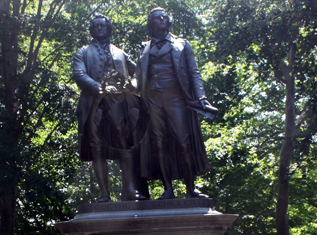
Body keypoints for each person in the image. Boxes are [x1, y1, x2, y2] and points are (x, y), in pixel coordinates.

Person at [134, 7, 213, 199]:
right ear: (150, 24)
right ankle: (167, 189)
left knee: (183, 142)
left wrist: (201, 96)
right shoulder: (144, 48)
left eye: (164, 17)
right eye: (157, 18)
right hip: (152, 101)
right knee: (159, 144)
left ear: (168, 22)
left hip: (176, 99)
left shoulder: (182, 44)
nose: (162, 20)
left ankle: (190, 188)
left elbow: (194, 72)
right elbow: (138, 78)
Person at [73, 14, 145, 202]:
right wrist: (101, 88)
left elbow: (138, 71)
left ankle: (129, 189)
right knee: (97, 148)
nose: (99, 28)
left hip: (119, 106)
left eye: (103, 26)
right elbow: (79, 74)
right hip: (94, 105)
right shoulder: (83, 52)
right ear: (91, 30)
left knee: (125, 146)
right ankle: (104, 193)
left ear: (109, 28)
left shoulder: (120, 52)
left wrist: (133, 85)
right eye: (95, 26)